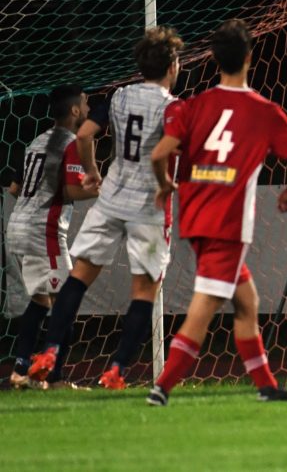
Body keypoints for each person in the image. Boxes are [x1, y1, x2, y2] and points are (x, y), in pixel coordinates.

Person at [144, 19, 287, 405]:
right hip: (228, 221)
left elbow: (159, 154)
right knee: (204, 304)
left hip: (195, 216)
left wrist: (165, 184)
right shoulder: (264, 111)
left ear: (214, 59)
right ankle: (162, 386)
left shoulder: (193, 105)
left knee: (246, 302)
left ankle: (267, 387)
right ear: (250, 58)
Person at [27, 27, 183, 391]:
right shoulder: (174, 107)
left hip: (112, 198)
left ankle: (49, 351)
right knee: (144, 290)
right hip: (149, 207)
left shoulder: (118, 96)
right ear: (173, 66)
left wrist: (93, 171)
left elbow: (84, 135)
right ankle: (116, 370)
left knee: (79, 277)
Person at [8, 85, 98, 389]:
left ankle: (21, 371)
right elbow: (72, 190)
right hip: (42, 232)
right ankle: (55, 378)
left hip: (19, 226)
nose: (87, 108)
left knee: (41, 301)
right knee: (66, 304)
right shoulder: (70, 143)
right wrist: (102, 189)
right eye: (85, 103)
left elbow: (14, 188)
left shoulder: (37, 141)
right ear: (75, 110)